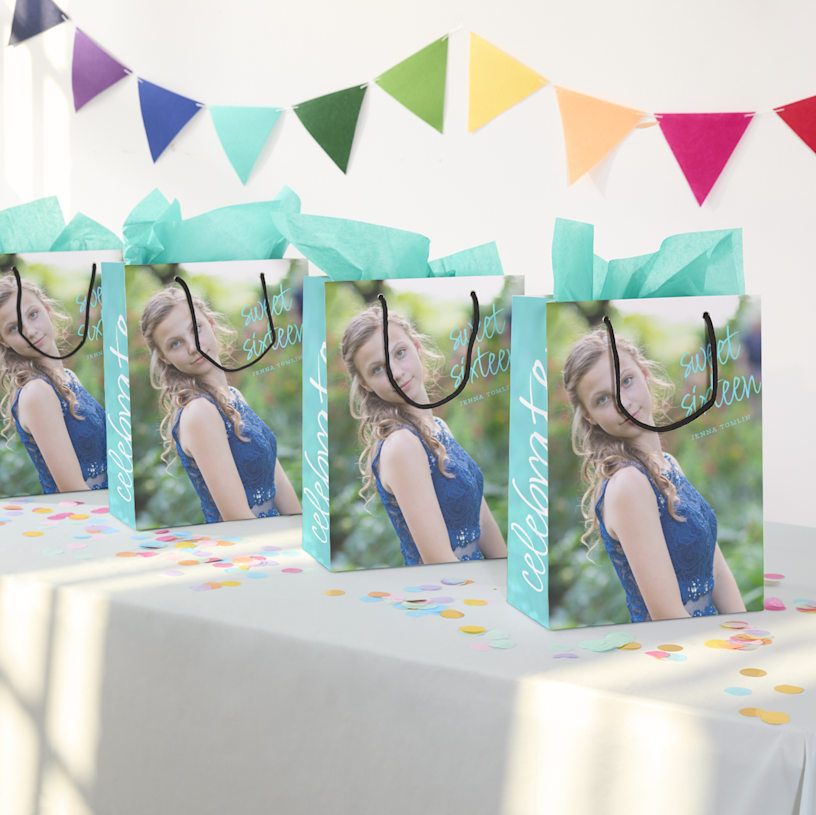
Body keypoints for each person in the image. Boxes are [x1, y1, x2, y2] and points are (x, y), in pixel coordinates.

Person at [562, 327, 745, 622]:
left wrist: (745, 632)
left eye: (626, 381)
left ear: (645, 375)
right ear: (588, 416)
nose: (623, 403)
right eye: (603, 400)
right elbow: (668, 616)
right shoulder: (628, 484)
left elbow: (718, 570)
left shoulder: (668, 464)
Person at [341, 304, 506, 565]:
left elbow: (481, 518)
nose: (396, 372)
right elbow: (439, 561)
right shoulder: (402, 444)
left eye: (400, 353)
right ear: (365, 384)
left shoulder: (439, 426)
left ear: (416, 347)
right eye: (378, 369)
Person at [140, 285, 300, 522]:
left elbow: (281, 488)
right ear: (165, 357)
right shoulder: (199, 412)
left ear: (211, 324)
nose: (193, 347)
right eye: (176, 344)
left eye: (196, 329)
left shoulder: (234, 396)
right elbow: (238, 518)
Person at [0, 274, 106, 493]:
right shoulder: (37, 392)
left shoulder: (67, 376)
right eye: (13, 328)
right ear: (4, 341)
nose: (29, 331)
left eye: (33, 314)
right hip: (87, 519)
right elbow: (73, 490)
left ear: (47, 309)